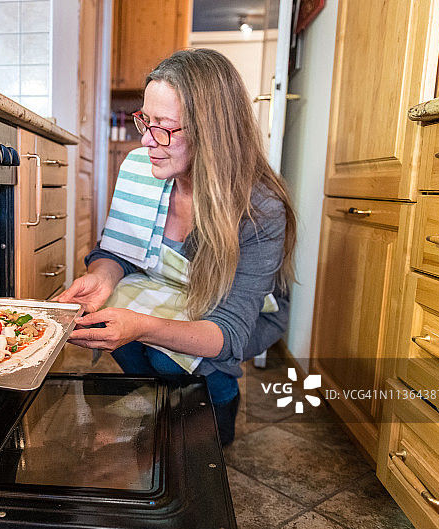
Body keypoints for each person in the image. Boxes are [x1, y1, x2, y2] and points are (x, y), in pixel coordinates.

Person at [55, 49, 297, 446]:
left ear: (210, 132)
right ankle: (156, 391)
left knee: (162, 346)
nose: (148, 140)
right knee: (120, 304)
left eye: (164, 127)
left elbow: (229, 331)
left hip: (234, 312)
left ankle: (219, 397)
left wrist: (143, 328)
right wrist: (101, 276)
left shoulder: (259, 208)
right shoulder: (141, 169)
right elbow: (117, 251)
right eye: (145, 121)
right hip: (174, 289)